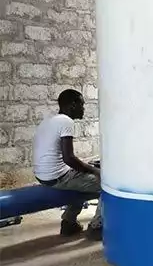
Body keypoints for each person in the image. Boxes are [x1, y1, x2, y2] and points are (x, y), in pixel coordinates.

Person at [32, 89, 103, 241]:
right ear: (72, 105)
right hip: (57, 176)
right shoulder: (66, 121)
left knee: (83, 176)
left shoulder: (50, 120)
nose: (83, 109)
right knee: (105, 184)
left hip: (42, 175)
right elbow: (69, 159)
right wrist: (96, 171)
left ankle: (69, 223)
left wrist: (88, 168)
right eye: (82, 105)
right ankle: (97, 226)